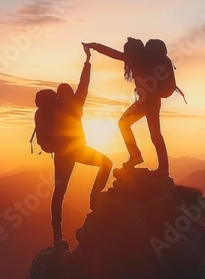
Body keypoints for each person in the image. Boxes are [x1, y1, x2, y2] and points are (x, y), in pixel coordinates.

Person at [33, 43, 112, 247]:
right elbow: (83, 84)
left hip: (61, 155)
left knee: (59, 193)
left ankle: (57, 234)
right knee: (106, 164)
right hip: (78, 151)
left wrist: (87, 61)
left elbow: (82, 84)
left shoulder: (56, 107)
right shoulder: (75, 104)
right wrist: (87, 61)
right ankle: (94, 198)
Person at [86, 38, 174, 177]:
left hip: (147, 102)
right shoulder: (145, 59)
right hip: (151, 101)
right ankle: (160, 167)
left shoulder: (137, 58)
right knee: (154, 134)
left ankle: (138, 157)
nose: (125, 54)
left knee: (126, 125)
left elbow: (113, 53)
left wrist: (94, 46)